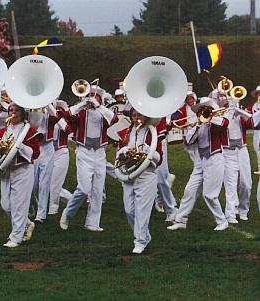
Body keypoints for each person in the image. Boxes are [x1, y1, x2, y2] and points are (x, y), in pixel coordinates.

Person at [59, 86, 117, 232]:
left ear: (100, 98)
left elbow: (114, 119)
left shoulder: (103, 113)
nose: (92, 98)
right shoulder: (81, 112)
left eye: (95, 96)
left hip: (100, 153)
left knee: (97, 190)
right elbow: (67, 114)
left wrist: (98, 106)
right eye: (89, 95)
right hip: (84, 152)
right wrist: (82, 103)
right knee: (84, 188)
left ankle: (92, 222)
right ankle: (67, 214)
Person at [168, 97, 229, 231]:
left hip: (215, 159)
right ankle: (181, 220)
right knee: (189, 191)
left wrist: (210, 117)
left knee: (209, 194)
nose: (202, 112)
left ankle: (222, 221)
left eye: (205, 109)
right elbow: (189, 140)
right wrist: (198, 124)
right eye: (201, 110)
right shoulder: (198, 125)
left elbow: (225, 123)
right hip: (201, 162)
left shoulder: (217, 122)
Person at [0, 104, 41, 248]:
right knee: (6, 205)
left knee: (19, 205)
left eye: (16, 110)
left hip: (23, 170)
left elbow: (35, 153)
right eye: (10, 110)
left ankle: (16, 237)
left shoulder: (28, 131)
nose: (13, 113)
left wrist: (19, 146)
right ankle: (27, 224)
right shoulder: (2, 131)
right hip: (6, 171)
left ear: (23, 113)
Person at [116, 109, 162, 254]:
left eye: (139, 115)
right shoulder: (127, 132)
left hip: (147, 174)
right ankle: (145, 235)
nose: (136, 118)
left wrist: (149, 151)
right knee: (129, 210)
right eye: (134, 116)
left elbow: (159, 157)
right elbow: (118, 154)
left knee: (142, 210)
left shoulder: (152, 131)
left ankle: (140, 242)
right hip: (130, 173)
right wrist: (123, 151)